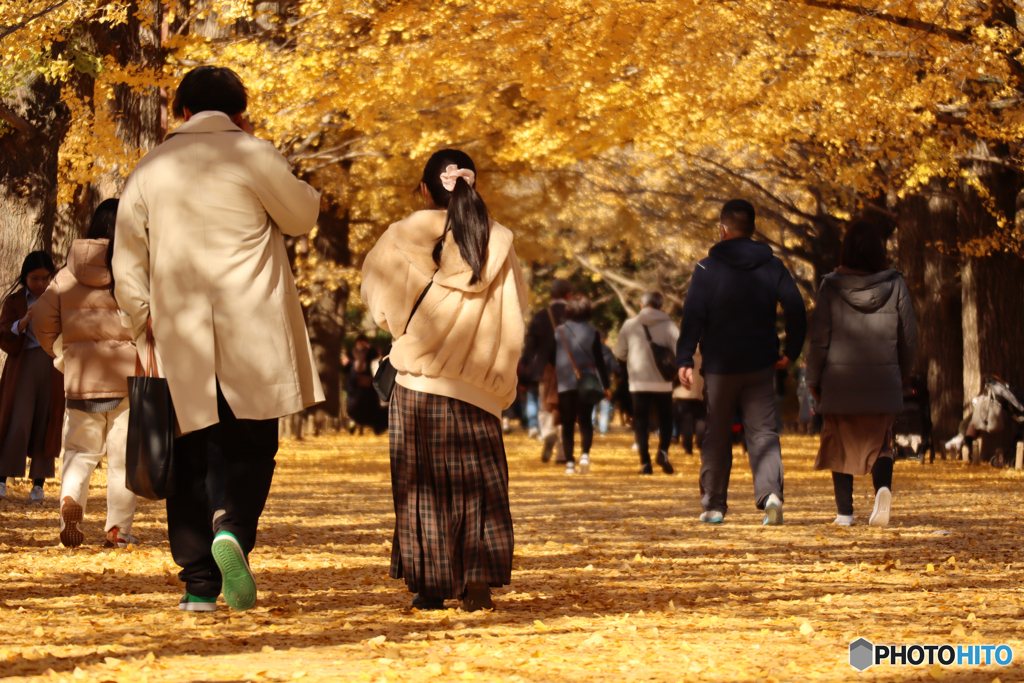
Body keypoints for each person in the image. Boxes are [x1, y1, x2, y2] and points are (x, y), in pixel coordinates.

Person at [113, 66, 323, 612]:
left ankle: (199, 585)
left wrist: (141, 323)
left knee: (187, 453)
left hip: (177, 330)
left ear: (181, 109)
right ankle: (232, 527)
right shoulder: (255, 155)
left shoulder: (151, 167)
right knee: (252, 444)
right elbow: (301, 215)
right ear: (238, 110)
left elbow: (128, 261)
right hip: (252, 326)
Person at [360, 149, 528, 611]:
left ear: (423, 189)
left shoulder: (399, 238)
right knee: (479, 485)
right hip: (479, 387)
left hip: (418, 382)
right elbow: (514, 314)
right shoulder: (496, 242)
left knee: (422, 485)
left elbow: (378, 306)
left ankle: (430, 585)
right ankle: (478, 583)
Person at [676, 199, 806, 525]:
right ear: (753, 230)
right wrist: (791, 351)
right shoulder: (773, 266)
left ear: (722, 230)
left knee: (717, 434)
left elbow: (693, 315)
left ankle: (714, 505)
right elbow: (796, 308)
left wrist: (685, 357)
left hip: (720, 365)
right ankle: (771, 494)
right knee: (763, 433)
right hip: (761, 362)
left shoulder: (707, 268)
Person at [33, 199, 140, 548]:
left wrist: (62, 353)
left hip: (82, 379)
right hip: (129, 380)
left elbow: (41, 320)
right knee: (123, 457)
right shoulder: (136, 269)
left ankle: (70, 503)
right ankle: (117, 530)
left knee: (80, 450)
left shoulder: (66, 275)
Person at [805, 221, 916, 527]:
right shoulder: (895, 284)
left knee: (839, 442)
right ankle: (882, 490)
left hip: (838, 381)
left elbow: (819, 340)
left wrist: (813, 379)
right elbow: (909, 335)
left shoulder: (830, 286)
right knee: (881, 444)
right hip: (883, 380)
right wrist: (901, 373)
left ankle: (844, 513)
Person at [0, 251, 64, 502]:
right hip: (22, 364)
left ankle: (38, 484)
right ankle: (3, 478)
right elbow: (4, 334)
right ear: (25, 277)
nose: (39, 283)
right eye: (34, 278)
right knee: (18, 421)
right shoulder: (15, 301)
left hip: (52, 364)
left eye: (44, 278)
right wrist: (25, 319)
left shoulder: (59, 298)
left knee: (46, 421)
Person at [614, 291, 679, 474]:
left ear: (641, 305)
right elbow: (680, 351)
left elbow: (619, 352)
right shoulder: (669, 326)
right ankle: (663, 451)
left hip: (638, 382)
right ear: (661, 306)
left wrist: (632, 358)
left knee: (641, 422)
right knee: (666, 419)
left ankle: (645, 463)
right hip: (663, 382)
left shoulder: (630, 325)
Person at [552, 295, 611, 475]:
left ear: (568, 310)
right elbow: (600, 361)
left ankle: (569, 462)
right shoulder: (593, 332)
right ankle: (585, 455)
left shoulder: (559, 331)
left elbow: (550, 357)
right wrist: (606, 385)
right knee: (585, 421)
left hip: (565, 383)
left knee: (567, 423)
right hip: (587, 381)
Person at [523, 279, 572, 462]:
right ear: (568, 295)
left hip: (544, 370)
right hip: (569, 371)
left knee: (545, 407)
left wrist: (530, 365)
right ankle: (562, 453)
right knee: (565, 409)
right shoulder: (574, 315)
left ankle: (548, 432)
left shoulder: (541, 316)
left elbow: (529, 344)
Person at [341, 335, 387, 435]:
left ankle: (357, 424)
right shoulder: (369, 352)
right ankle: (360, 425)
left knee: (357, 408)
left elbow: (345, 369)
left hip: (359, 386)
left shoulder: (353, 353)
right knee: (364, 408)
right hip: (362, 386)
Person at [673, 349, 706, 454]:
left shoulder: (684, 352)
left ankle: (688, 447)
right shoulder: (706, 352)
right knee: (701, 418)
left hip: (684, 392)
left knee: (686, 421)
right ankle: (701, 442)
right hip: (700, 391)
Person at [594, 329, 617, 436]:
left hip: (592, 382)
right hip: (605, 382)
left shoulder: (589, 350)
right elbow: (614, 367)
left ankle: (591, 425)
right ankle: (603, 429)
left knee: (591, 405)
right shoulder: (608, 351)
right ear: (605, 340)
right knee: (605, 406)